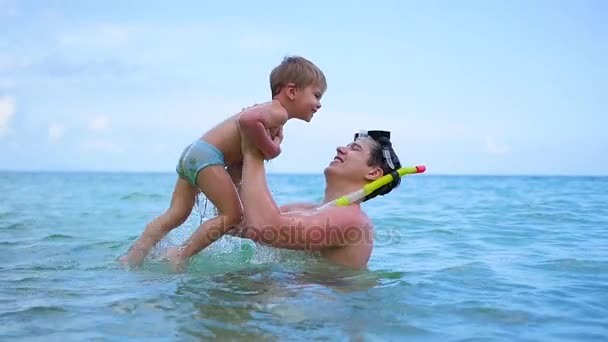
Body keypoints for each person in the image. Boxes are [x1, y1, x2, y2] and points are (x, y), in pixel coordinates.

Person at [119, 56, 327, 269]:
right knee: (233, 215)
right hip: (208, 157)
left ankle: (135, 254)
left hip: (194, 154)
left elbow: (238, 161)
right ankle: (181, 254)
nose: (319, 104)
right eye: (316, 95)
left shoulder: (268, 113)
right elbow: (246, 121)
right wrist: (273, 148)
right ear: (292, 91)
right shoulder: (277, 112)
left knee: (176, 214)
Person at [230, 129, 403, 270]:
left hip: (317, 309)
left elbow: (265, 230)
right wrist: (238, 163)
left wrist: (254, 152)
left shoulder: (354, 220)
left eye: (355, 149)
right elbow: (237, 226)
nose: (341, 148)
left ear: (373, 173)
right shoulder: (304, 209)